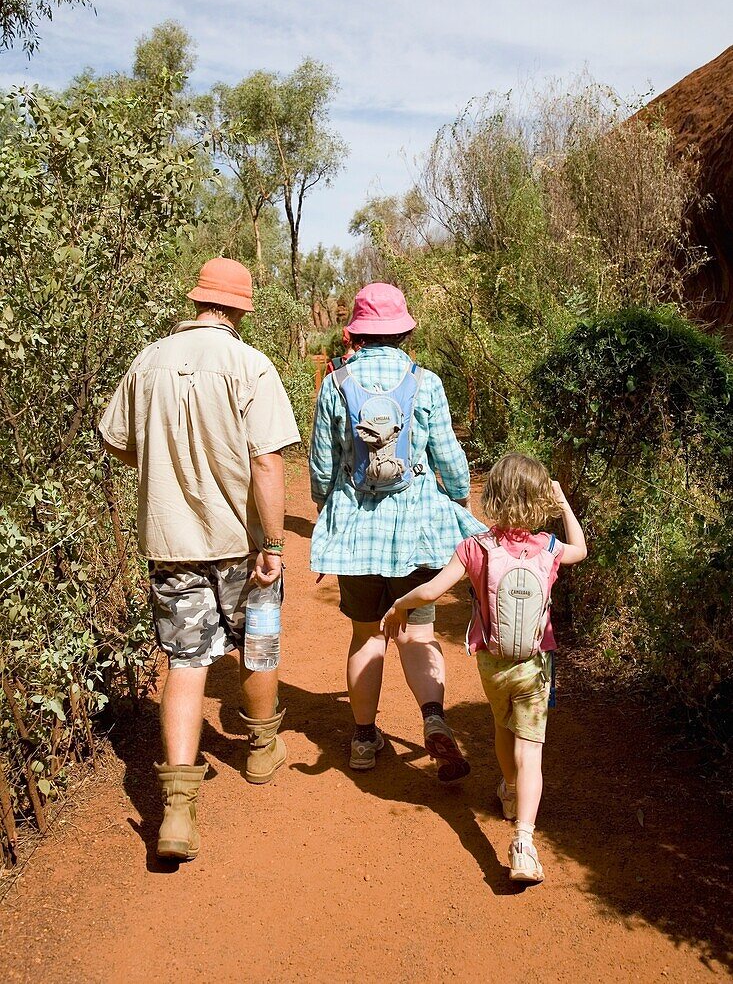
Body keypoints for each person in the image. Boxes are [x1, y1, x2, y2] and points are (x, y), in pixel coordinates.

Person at [99, 257, 300, 861]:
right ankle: (262, 748)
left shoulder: (147, 362)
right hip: (241, 542)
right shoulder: (252, 366)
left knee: (186, 661)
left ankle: (177, 812)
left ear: (196, 303)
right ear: (241, 308)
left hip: (171, 543)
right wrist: (273, 542)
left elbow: (119, 445)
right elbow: (267, 462)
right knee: (258, 638)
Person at [382, 453, 587, 883]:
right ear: (539, 501)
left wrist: (400, 603)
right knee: (530, 748)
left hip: (493, 664)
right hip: (534, 664)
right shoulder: (548, 547)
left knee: (501, 728)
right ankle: (524, 843)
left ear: (491, 496)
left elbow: (434, 589)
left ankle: (509, 791)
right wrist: (564, 503)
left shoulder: (476, 547)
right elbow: (581, 551)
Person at [309, 282, 486, 779]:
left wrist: (328, 511)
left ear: (359, 333)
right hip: (417, 533)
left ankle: (364, 741)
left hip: (358, 536)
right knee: (417, 633)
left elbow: (323, 465)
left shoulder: (336, 383)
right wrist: (456, 498)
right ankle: (434, 723)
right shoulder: (425, 382)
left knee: (366, 636)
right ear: (403, 330)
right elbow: (448, 457)